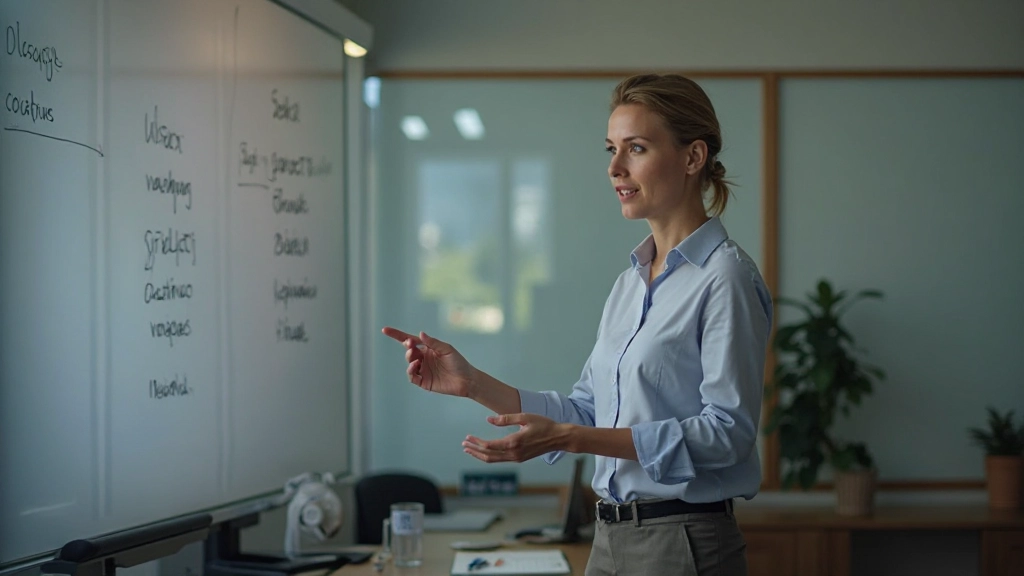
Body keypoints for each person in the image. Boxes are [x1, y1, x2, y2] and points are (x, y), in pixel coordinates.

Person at [382, 73, 772, 576]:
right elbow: (586, 411)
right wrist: (473, 384)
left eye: (636, 148)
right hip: (609, 538)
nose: (615, 168)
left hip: (682, 542)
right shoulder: (630, 283)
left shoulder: (726, 277)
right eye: (611, 149)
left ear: (693, 158)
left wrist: (570, 439)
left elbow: (727, 434)